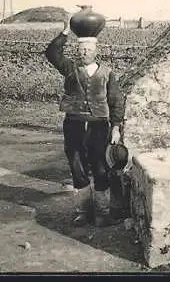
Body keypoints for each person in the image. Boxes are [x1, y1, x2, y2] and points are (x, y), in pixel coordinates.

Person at [45, 16, 127, 227]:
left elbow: (116, 101)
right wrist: (64, 32)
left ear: (95, 51)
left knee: (100, 168)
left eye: (88, 50)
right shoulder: (70, 68)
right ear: (77, 51)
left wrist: (116, 127)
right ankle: (83, 212)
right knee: (76, 165)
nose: (84, 53)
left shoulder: (107, 74)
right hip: (74, 125)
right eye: (81, 50)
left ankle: (102, 214)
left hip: (99, 125)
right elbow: (51, 54)